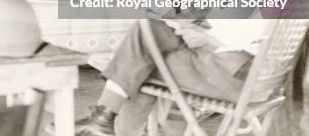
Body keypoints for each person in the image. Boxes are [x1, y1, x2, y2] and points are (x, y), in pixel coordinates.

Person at [75, 18, 268, 136]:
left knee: (140, 64)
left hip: (234, 71)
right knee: (149, 30)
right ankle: (105, 117)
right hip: (247, 68)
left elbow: (251, 32)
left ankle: (107, 119)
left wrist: (205, 35)